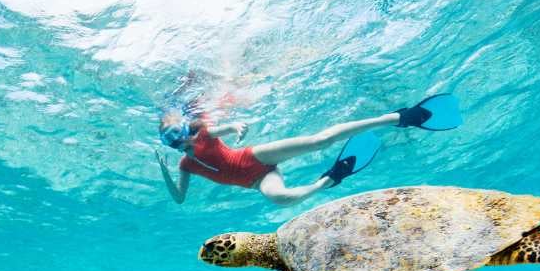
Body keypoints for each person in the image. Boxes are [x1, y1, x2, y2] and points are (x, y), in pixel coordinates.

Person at [156, 94, 461, 206]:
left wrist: (236, 128)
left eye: (180, 135)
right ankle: (329, 179)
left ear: (185, 130)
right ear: (170, 147)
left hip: (256, 156)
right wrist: (165, 173)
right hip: (256, 181)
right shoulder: (184, 166)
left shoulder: (205, 135)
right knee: (281, 199)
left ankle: (397, 118)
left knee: (319, 141)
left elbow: (227, 129)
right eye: (173, 142)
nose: (181, 142)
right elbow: (179, 199)